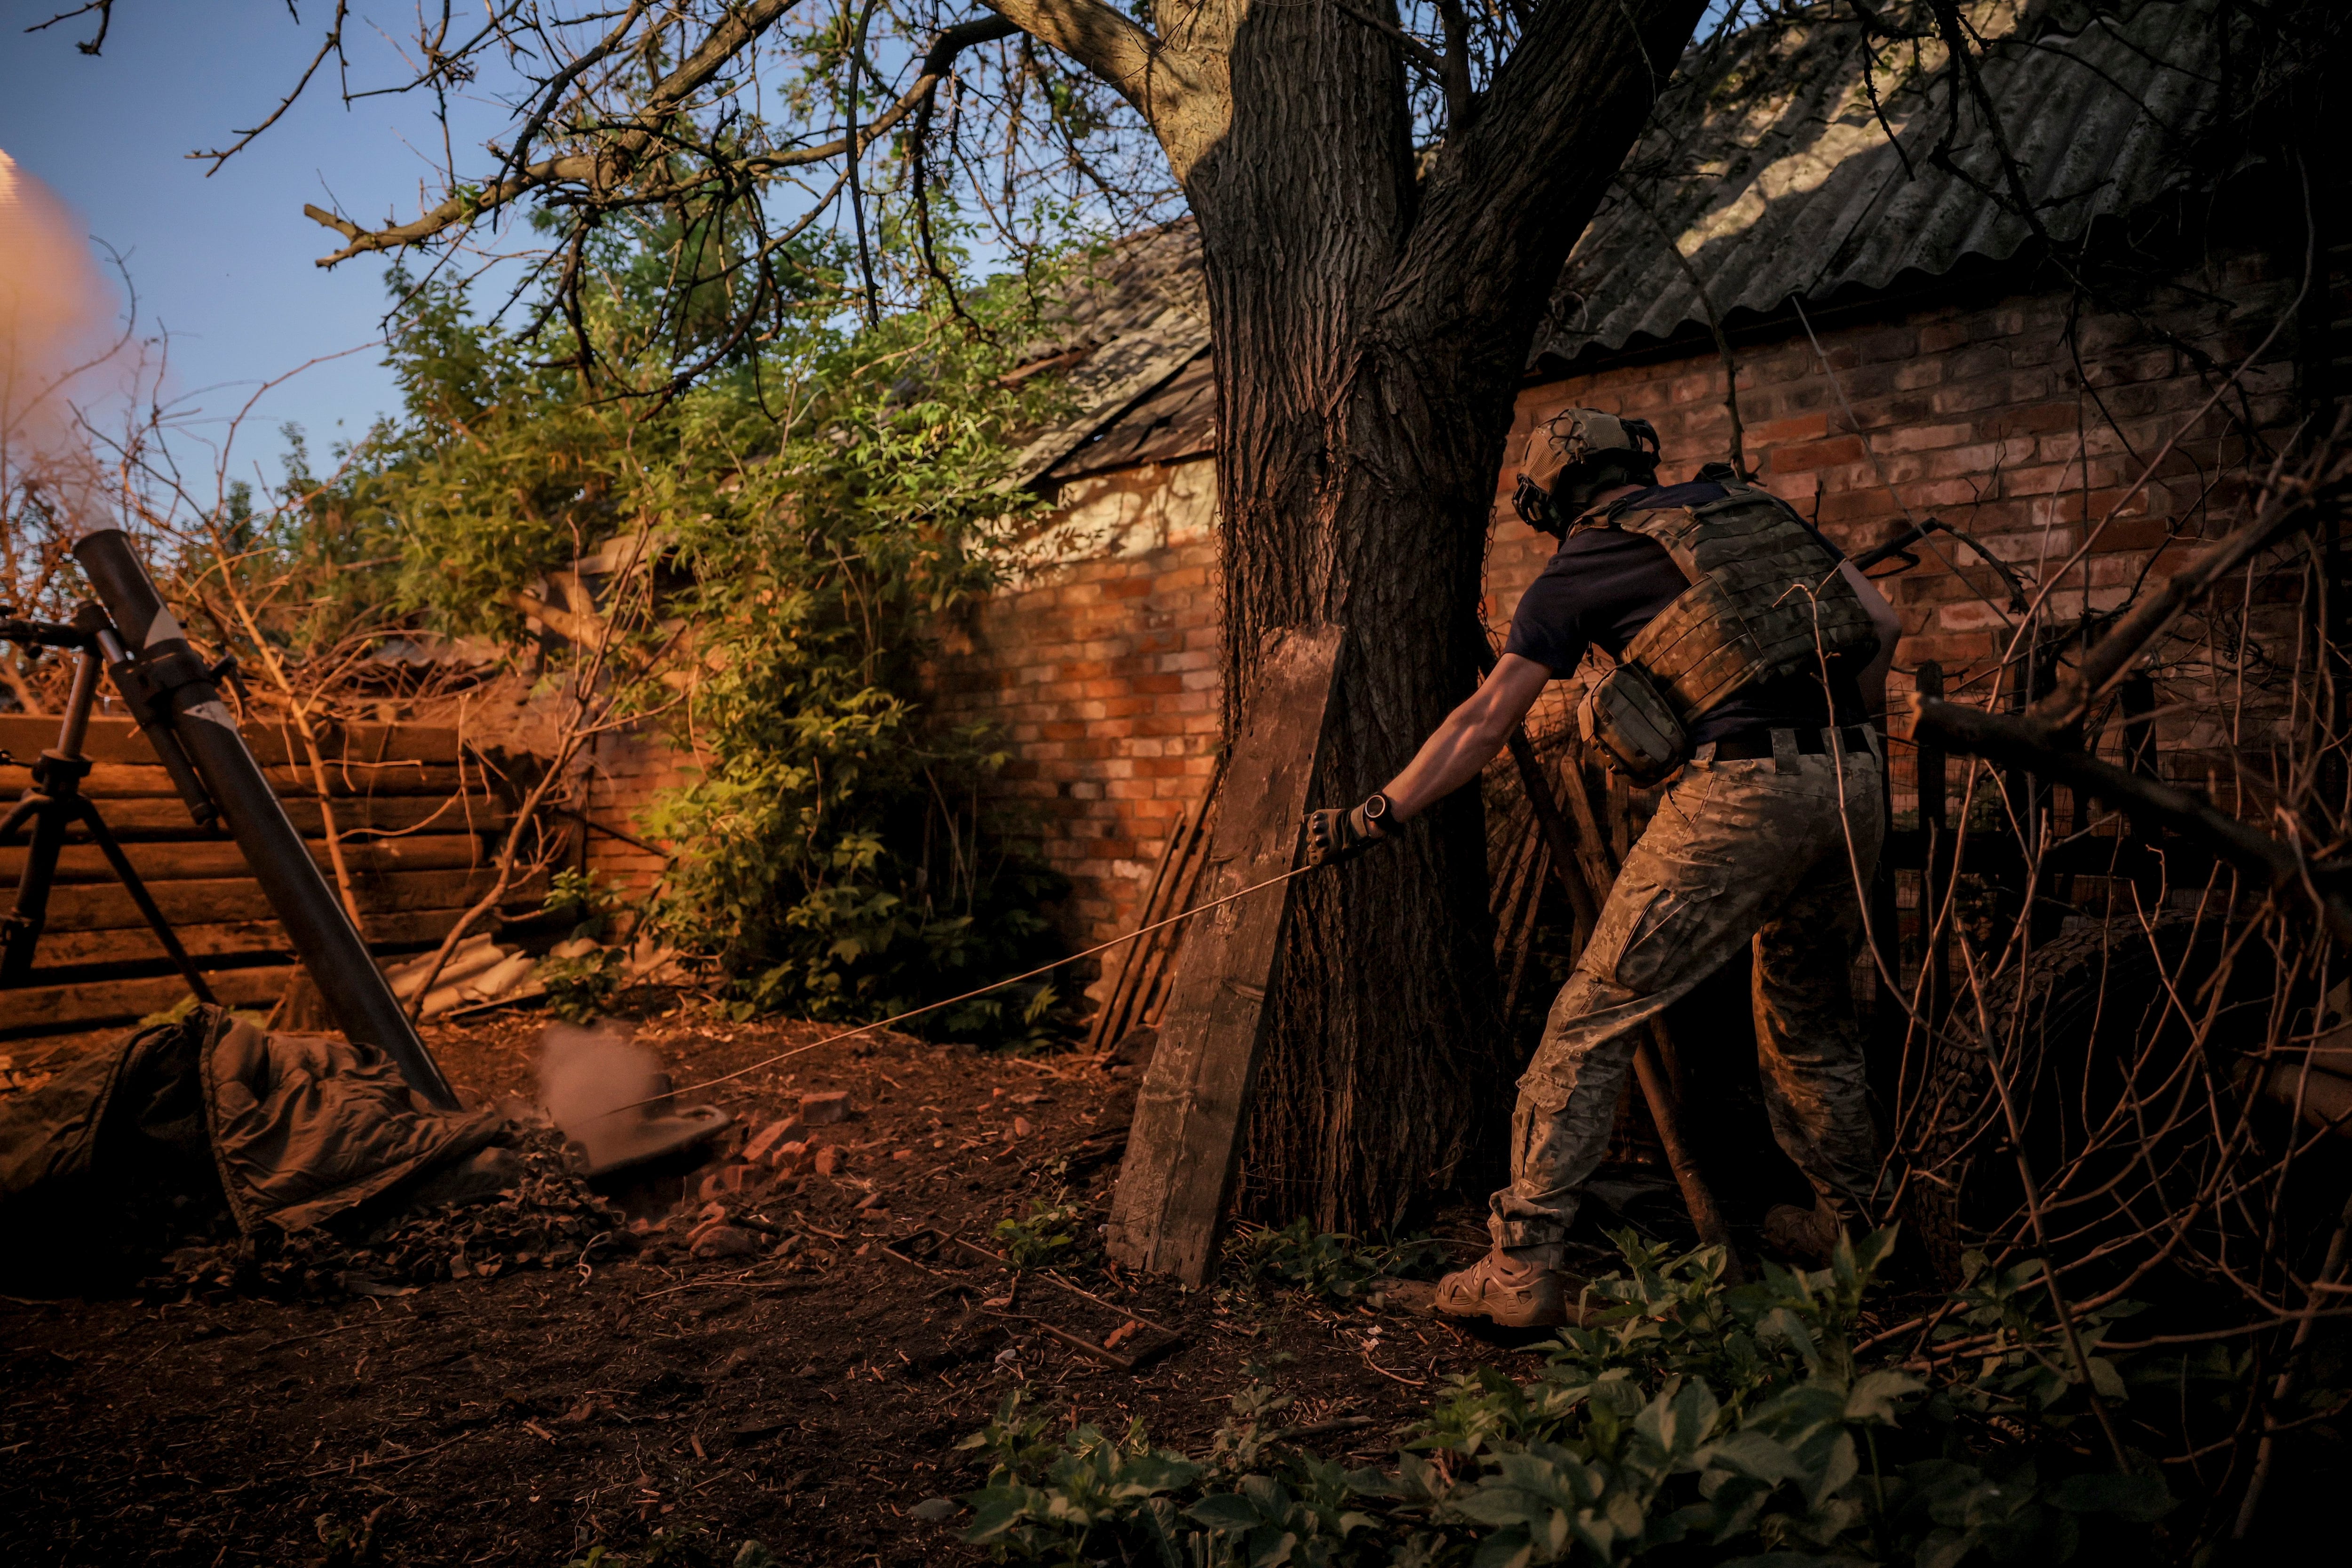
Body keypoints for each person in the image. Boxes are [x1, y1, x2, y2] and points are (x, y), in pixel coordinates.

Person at [1303, 409, 1905, 1329]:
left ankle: (1519, 1262)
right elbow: (1881, 621)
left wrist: (1378, 808)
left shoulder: (1576, 568)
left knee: (1590, 1017)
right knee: (1809, 1006)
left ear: (1550, 501)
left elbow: (1481, 723)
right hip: (1860, 780)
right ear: (1640, 461)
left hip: (1744, 792)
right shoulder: (1754, 509)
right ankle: (1857, 1230)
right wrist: (1834, 741)